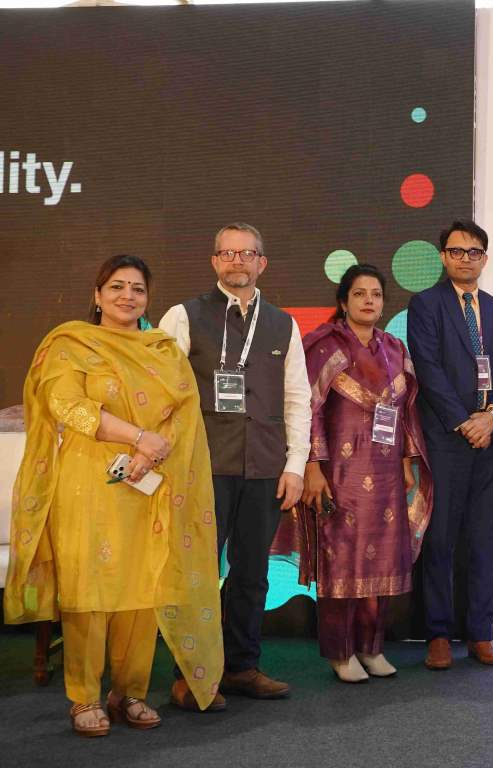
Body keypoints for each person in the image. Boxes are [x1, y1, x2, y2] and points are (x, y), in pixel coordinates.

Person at [4, 255, 222, 737]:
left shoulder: (162, 349)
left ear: (148, 297)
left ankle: (131, 692)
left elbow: (181, 413)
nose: (128, 296)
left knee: (143, 590)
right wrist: (138, 437)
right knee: (90, 591)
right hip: (88, 485)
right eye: (117, 287)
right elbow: (66, 403)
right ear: (98, 295)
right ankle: (83, 697)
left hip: (149, 483)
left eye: (138, 289)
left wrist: (150, 450)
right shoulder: (71, 344)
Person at [159, 223, 311, 702]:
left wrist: (296, 465)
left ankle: (242, 667)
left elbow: (298, 399)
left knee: (252, 573)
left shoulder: (283, 323)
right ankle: (190, 673)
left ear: (262, 263)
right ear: (214, 262)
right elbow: (163, 394)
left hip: (265, 466)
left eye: (247, 253)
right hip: (202, 466)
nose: (237, 261)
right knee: (197, 572)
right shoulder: (183, 316)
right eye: (227, 253)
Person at [271, 264, 433, 682]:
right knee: (341, 563)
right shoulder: (324, 345)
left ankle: (372, 647)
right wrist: (312, 465)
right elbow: (308, 408)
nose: (368, 301)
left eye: (376, 294)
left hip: (385, 473)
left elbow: (406, 410)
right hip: (337, 472)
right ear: (344, 302)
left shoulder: (395, 348)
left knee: (377, 564)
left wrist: (405, 460)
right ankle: (341, 653)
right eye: (359, 294)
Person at [406, 219, 493, 669]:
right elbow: (428, 369)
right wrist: (462, 421)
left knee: (487, 539)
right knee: (440, 537)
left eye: (474, 252)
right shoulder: (426, 305)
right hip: (446, 440)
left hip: (491, 440)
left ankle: (479, 632)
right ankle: (437, 633)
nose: (465, 259)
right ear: (443, 256)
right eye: (456, 251)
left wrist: (490, 417)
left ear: (485, 259)